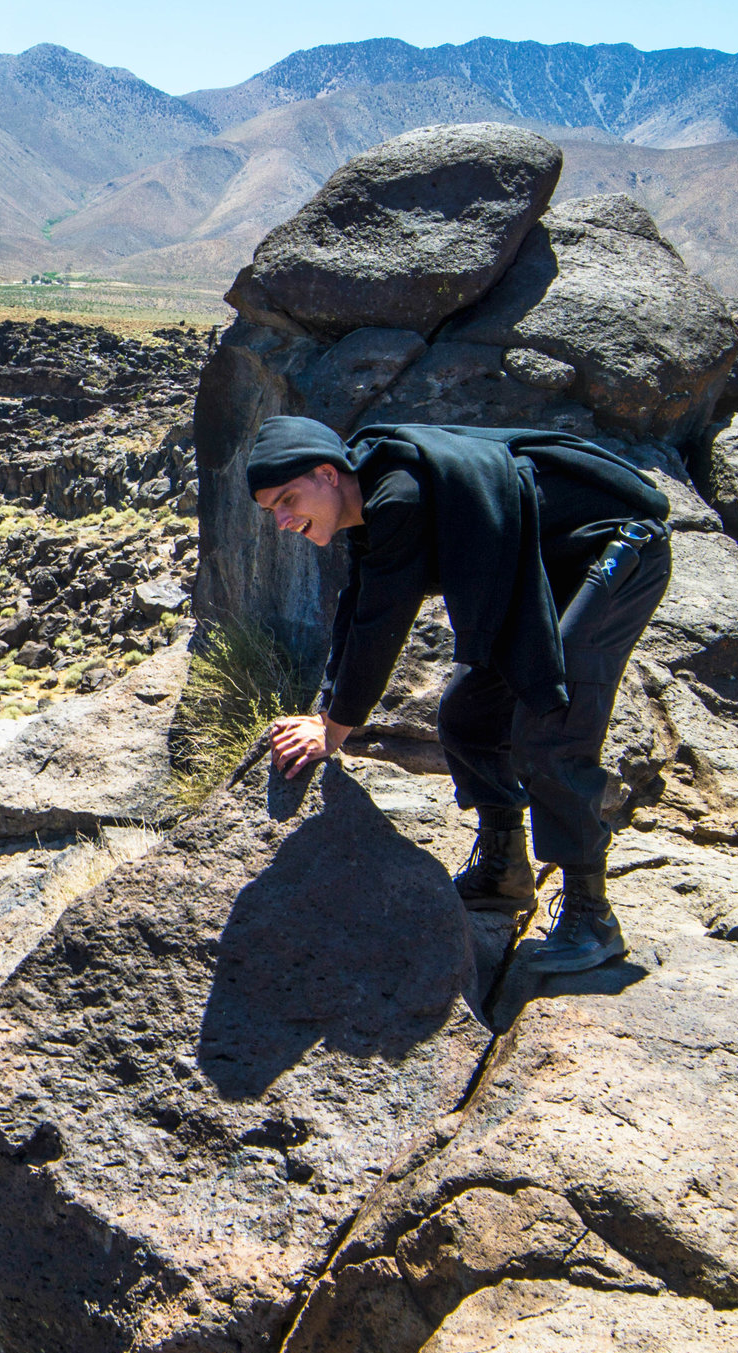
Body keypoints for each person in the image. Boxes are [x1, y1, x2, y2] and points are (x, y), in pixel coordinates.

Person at [246, 415, 672, 975]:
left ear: (328, 474)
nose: (280, 520)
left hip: (617, 552)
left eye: (287, 499)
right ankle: (505, 872)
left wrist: (333, 732)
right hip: (546, 571)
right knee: (468, 714)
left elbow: (382, 626)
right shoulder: (369, 500)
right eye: (270, 510)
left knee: (552, 724)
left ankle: (592, 916)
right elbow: (358, 604)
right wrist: (325, 710)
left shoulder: (399, 495)